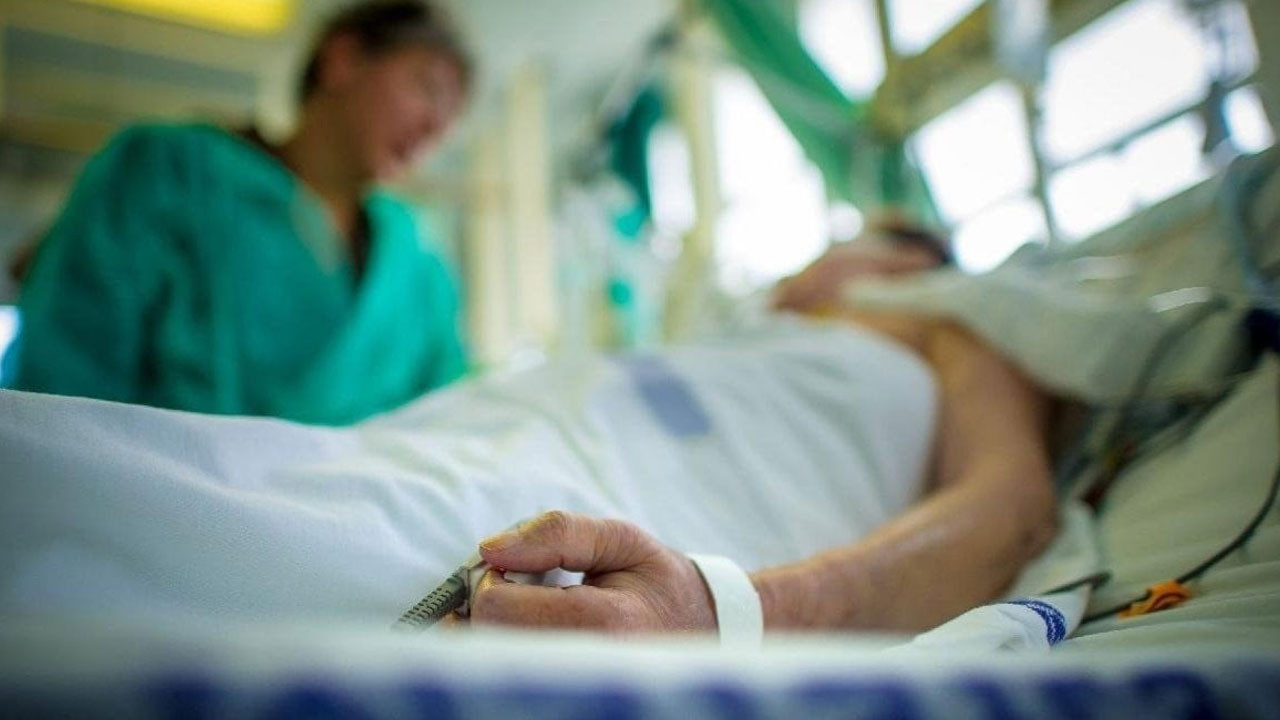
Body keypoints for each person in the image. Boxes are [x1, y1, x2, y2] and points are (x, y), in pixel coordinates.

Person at [458, 225, 1058, 635]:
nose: (819, 260)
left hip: (596, 533)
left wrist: (724, 610)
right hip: (482, 436)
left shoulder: (947, 322)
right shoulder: (745, 331)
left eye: (854, 240)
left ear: (909, 263)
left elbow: (1012, 508)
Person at [7, 0, 471, 425]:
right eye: (427, 89)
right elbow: (65, 369)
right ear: (344, 59)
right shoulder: (172, 174)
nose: (435, 127)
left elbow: (449, 415)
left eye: (451, 117)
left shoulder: (419, 265)